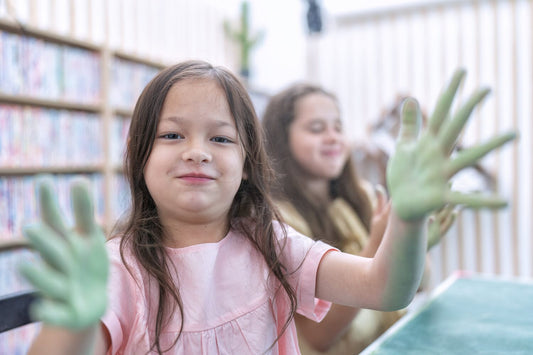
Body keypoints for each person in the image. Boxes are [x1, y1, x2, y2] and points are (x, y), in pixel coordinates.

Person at [19, 61, 514, 355]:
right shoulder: (117, 269)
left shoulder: (271, 242)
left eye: (220, 137)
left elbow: (385, 288)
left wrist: (406, 219)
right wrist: (72, 325)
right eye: (172, 135)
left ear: (249, 165)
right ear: (140, 156)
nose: (197, 150)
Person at [261, 83, 456, 354]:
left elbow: (420, 286)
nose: (333, 137)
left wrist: (413, 239)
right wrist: (376, 245)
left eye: (338, 128)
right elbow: (318, 339)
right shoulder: (278, 222)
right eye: (317, 129)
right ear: (280, 139)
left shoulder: (363, 194)